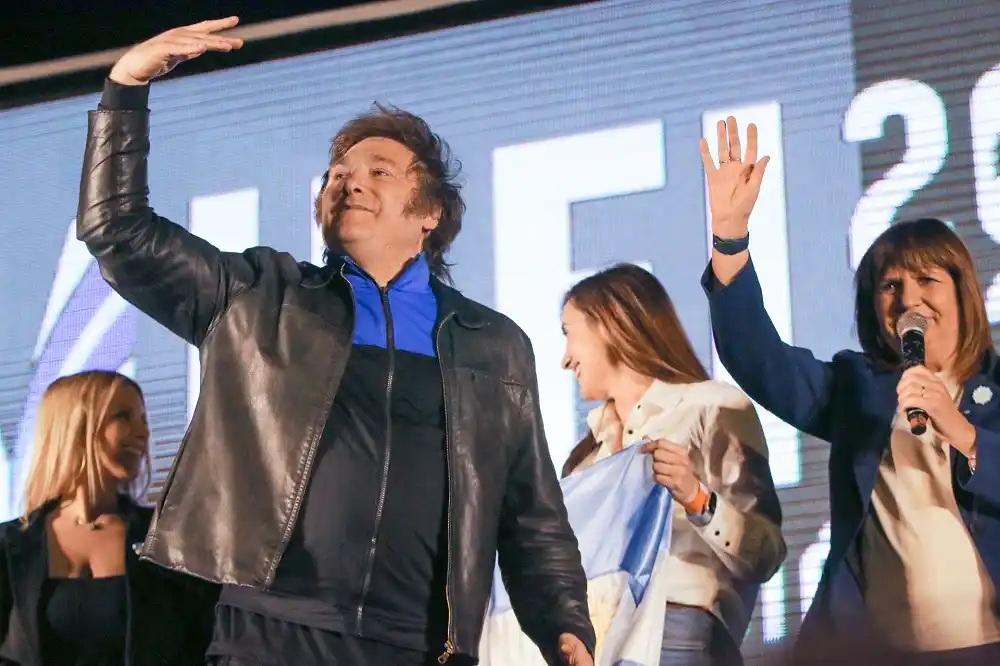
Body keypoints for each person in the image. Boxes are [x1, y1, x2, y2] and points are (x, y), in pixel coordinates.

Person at [76, 16, 595, 666]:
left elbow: (532, 515)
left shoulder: (493, 346)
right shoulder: (259, 296)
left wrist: (565, 626)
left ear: (431, 213)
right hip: (263, 636)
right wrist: (125, 88)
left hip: (416, 648)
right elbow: (119, 231)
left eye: (380, 171)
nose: (349, 180)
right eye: (338, 172)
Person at [701, 117, 1000, 663]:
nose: (909, 299)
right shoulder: (858, 389)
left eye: (928, 281)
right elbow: (760, 359)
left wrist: (961, 431)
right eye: (891, 286)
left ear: (964, 293)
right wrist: (730, 241)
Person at [559, 264, 785, 665]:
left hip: (678, 631)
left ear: (610, 327)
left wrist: (698, 499)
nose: (564, 360)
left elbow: (766, 554)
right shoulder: (585, 462)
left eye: (569, 335)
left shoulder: (711, 407)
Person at [0, 370, 218, 666]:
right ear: (76, 427)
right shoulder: (10, 546)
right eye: (124, 416)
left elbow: (205, 643)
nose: (143, 433)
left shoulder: (168, 538)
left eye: (143, 419)